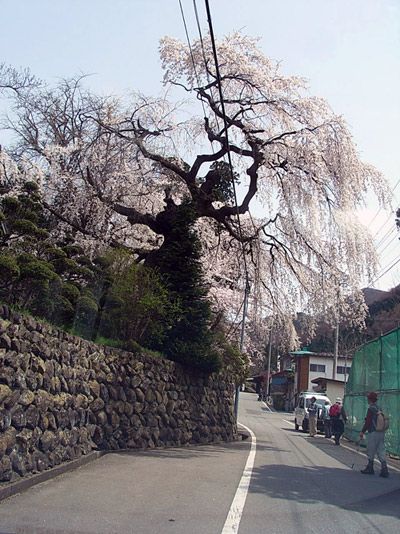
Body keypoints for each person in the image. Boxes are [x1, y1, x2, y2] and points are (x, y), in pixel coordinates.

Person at [359, 392, 389, 478]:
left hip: (373, 431)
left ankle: (370, 468)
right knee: (381, 449)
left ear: (370, 399)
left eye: (368, 398)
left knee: (371, 449)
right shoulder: (379, 408)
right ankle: (384, 469)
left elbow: (368, 422)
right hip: (381, 432)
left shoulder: (371, 408)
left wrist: (362, 431)